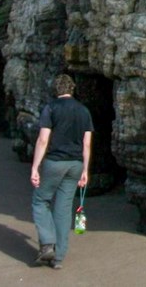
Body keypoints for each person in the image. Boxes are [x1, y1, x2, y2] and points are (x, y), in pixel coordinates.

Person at [30, 74, 94, 270]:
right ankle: (58, 257)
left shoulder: (51, 108)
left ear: (55, 89)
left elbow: (43, 139)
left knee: (40, 200)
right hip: (75, 164)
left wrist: (35, 167)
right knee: (64, 208)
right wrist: (85, 169)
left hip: (55, 162)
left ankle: (48, 243)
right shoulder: (84, 111)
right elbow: (87, 143)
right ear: (72, 88)